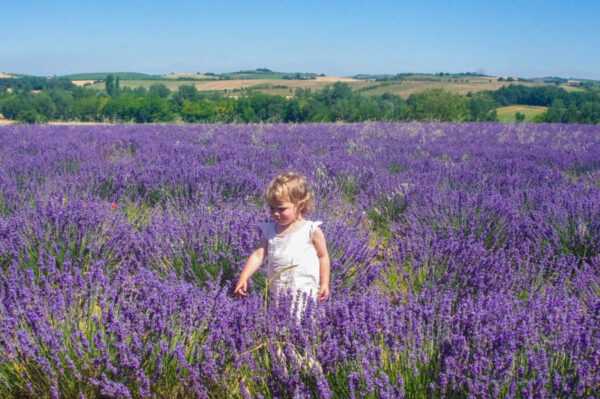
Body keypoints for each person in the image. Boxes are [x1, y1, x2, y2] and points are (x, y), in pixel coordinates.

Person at [234, 172, 330, 303]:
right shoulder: (271, 230)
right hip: (278, 289)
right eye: (271, 208)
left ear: (300, 205)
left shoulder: (311, 230)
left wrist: (324, 283)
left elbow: (323, 256)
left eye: (281, 209)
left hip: (305, 288)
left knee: (304, 319)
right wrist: (244, 277)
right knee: (280, 318)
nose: (275, 213)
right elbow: (258, 255)